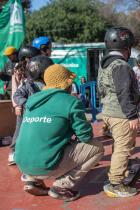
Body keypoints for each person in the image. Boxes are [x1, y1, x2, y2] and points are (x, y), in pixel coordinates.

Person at [15, 64, 104, 201]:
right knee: (97, 148)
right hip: (46, 164)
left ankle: (33, 180)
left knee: (43, 143)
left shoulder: (32, 100)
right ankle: (61, 186)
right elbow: (86, 136)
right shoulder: (71, 102)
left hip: (21, 162)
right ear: (66, 84)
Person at [98, 27, 140, 198]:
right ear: (127, 47)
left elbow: (102, 88)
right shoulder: (121, 65)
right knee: (124, 147)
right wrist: (132, 115)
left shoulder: (105, 63)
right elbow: (124, 92)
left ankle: (121, 168)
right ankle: (115, 183)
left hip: (108, 111)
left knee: (118, 145)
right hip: (120, 114)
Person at [10, 55, 54, 158]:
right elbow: (17, 95)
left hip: (44, 115)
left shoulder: (51, 84)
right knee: (20, 124)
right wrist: (26, 104)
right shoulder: (29, 85)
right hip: (30, 114)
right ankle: (14, 149)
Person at [8, 46, 40, 165]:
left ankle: (31, 151)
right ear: (26, 58)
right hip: (22, 103)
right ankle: (13, 151)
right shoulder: (18, 69)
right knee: (20, 127)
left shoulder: (34, 67)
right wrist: (17, 105)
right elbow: (15, 89)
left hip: (33, 101)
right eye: (32, 58)